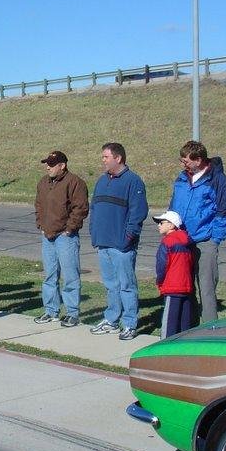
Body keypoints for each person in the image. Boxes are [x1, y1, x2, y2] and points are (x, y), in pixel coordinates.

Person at [169, 141, 226, 323]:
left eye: (186, 161)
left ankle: (210, 328)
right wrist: (171, 230)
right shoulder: (181, 179)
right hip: (182, 241)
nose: (183, 164)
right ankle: (189, 326)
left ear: (198, 160)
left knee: (206, 288)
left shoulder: (218, 180)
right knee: (185, 286)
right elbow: (173, 206)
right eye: (182, 161)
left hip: (205, 241)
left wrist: (215, 239)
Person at [89, 142, 148, 341]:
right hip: (103, 243)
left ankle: (129, 323)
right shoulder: (101, 181)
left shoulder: (133, 181)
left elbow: (138, 213)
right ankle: (112, 319)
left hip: (122, 246)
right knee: (111, 285)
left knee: (126, 285)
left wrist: (128, 238)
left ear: (118, 158)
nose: (103, 160)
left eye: (106, 157)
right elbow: (94, 208)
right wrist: (94, 233)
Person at [33, 150, 89, 327]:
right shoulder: (43, 182)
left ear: (62, 165)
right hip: (47, 235)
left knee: (70, 276)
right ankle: (51, 311)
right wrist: (41, 224)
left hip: (66, 237)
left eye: (51, 164)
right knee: (49, 276)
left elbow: (80, 208)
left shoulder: (74, 182)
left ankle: (72, 313)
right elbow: (39, 205)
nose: (47, 167)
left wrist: (69, 229)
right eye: (47, 164)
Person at [153, 210, 195, 338]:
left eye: (161, 223)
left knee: (169, 323)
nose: (158, 225)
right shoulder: (188, 241)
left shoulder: (167, 242)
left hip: (172, 287)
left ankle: (165, 344)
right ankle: (184, 344)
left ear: (171, 225)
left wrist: (160, 281)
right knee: (184, 322)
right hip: (186, 286)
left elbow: (161, 266)